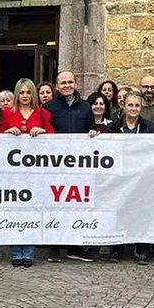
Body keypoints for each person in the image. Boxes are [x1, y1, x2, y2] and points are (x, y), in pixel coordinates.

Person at [0, 78, 53, 267]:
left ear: (33, 94)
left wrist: (43, 132)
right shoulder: (8, 113)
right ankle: (15, 252)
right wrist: (7, 132)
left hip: (35, 172)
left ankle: (29, 252)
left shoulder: (43, 114)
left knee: (31, 210)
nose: (24, 96)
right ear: (16, 94)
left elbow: (56, 140)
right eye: (21, 92)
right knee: (14, 211)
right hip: (13, 172)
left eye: (28, 92)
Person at [43, 71, 96, 263]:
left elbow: (91, 129)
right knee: (56, 205)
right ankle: (55, 247)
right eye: (63, 82)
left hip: (79, 166)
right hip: (56, 165)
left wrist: (92, 133)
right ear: (57, 86)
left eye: (70, 82)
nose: (67, 85)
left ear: (75, 84)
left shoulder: (86, 107)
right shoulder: (49, 107)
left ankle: (75, 247)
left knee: (77, 206)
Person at [110, 90, 154, 263]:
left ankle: (142, 249)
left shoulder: (149, 128)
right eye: (130, 105)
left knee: (142, 212)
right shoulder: (113, 128)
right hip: (120, 178)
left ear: (141, 106)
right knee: (120, 211)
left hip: (141, 178)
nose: (134, 108)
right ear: (124, 105)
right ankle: (117, 249)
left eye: (137, 105)